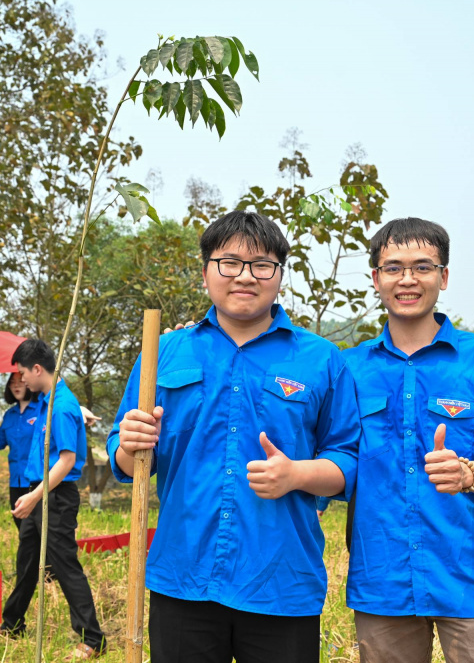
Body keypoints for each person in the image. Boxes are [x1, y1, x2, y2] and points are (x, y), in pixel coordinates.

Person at [108, 210, 361, 663]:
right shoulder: (163, 352)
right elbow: (126, 464)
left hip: (281, 581)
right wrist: (129, 443)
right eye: (229, 262)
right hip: (183, 575)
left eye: (262, 264)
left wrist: (296, 474)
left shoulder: (321, 359)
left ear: (280, 275)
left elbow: (347, 462)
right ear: (206, 271)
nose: (245, 276)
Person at [344, 217, 474, 662]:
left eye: (422, 267)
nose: (407, 279)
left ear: (443, 277)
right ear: (376, 279)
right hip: (382, 575)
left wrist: (469, 472)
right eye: (393, 268)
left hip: (468, 573)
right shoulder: (348, 368)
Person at [0, 338, 107, 659]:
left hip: (54, 496)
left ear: (37, 368)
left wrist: (33, 497)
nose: (22, 381)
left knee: (64, 565)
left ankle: (93, 639)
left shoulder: (59, 406)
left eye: (23, 374)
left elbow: (67, 460)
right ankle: (12, 624)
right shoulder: (51, 400)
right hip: (41, 490)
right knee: (28, 561)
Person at [0, 371, 39, 529]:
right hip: (15, 483)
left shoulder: (41, 410)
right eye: (12, 382)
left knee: (36, 532)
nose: (16, 385)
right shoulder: (9, 415)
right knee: (23, 532)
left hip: (36, 482)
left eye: (20, 381)